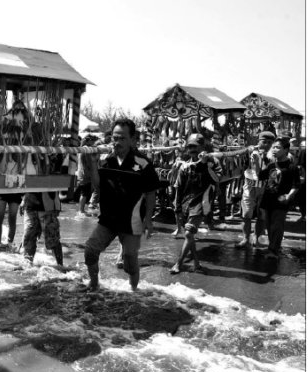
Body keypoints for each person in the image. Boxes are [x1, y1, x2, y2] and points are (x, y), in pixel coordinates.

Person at [84, 119, 160, 291]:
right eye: (114, 138)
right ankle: (94, 283)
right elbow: (98, 186)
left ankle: (134, 289)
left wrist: (148, 219)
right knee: (90, 250)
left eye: (122, 138)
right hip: (108, 220)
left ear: (133, 140)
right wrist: (92, 163)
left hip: (131, 223)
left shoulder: (143, 163)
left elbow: (150, 193)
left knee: (129, 260)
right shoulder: (105, 160)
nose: (116, 142)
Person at [170, 134, 223, 274]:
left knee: (188, 233)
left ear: (202, 147)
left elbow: (217, 178)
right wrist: (177, 208)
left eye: (194, 146)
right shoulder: (185, 166)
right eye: (189, 146)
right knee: (190, 235)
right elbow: (178, 188)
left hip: (202, 201)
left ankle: (179, 263)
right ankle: (197, 263)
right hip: (186, 202)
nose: (191, 149)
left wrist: (205, 164)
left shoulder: (213, 161)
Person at [258, 137, 301, 260]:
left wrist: (288, 196)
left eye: (278, 147)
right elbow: (260, 176)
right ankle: (273, 247)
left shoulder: (292, 167)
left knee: (277, 226)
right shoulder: (271, 164)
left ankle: (273, 250)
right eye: (274, 147)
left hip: (281, 201)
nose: (274, 150)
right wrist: (259, 160)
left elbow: (296, 185)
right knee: (269, 225)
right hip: (267, 199)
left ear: (286, 149)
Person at [235, 131, 275, 248]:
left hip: (265, 187)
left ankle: (256, 239)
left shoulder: (274, 155)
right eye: (264, 142)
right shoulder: (250, 152)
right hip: (249, 186)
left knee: (262, 216)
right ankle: (245, 239)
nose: (266, 144)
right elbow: (240, 166)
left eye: (269, 142)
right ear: (259, 141)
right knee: (246, 214)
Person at [75, 134, 99, 215]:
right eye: (93, 141)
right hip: (85, 174)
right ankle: (81, 210)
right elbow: (88, 163)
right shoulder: (87, 150)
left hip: (81, 173)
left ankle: (81, 210)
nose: (94, 143)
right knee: (84, 193)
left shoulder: (82, 148)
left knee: (84, 192)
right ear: (90, 141)